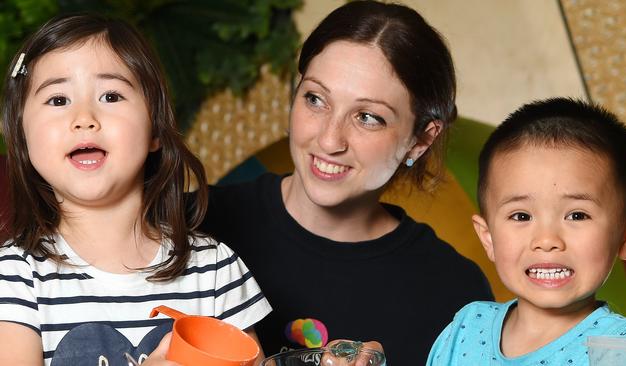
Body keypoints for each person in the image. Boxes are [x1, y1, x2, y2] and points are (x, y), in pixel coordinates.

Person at [198, 1, 494, 365]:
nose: (329, 140)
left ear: (420, 140)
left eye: (368, 117)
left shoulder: (455, 295)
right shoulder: (191, 223)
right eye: (316, 99)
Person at [0, 13, 271, 366]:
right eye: (58, 100)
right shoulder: (15, 277)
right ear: (22, 136)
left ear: (155, 129)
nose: (84, 117)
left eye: (111, 96)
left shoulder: (216, 269)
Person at [427, 97, 626, 365]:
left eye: (577, 215)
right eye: (521, 216)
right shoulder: (467, 326)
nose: (547, 240)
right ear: (488, 237)